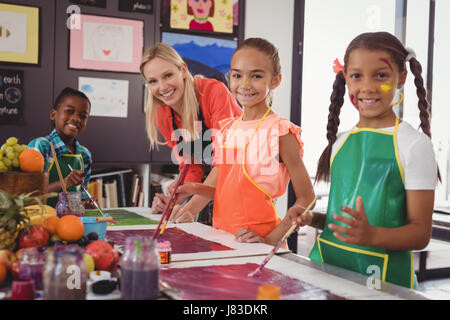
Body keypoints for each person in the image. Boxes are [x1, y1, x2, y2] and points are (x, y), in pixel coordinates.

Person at [289, 32, 439, 289]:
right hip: (328, 270)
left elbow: (420, 233)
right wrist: (312, 217)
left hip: (382, 282)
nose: (367, 87)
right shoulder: (341, 142)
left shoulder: (415, 145)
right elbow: (346, 218)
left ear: (401, 77)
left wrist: (372, 235)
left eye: (381, 75)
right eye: (357, 76)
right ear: (346, 78)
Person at [169, 38, 315, 246]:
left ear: (275, 80)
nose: (245, 84)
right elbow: (228, 192)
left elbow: (307, 198)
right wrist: (193, 188)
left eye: (256, 76)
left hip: (261, 248)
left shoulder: (280, 131)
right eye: (237, 75)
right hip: (222, 240)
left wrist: (269, 240)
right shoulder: (229, 128)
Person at [140, 42, 242, 215]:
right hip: (215, 186)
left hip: (246, 180)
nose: (162, 87)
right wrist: (171, 203)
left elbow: (225, 160)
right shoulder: (163, 114)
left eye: (168, 75)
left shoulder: (214, 92)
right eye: (153, 81)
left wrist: (190, 209)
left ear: (183, 70)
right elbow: (191, 168)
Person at [28, 87, 93, 208]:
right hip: (42, 221)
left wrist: (86, 203)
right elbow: (29, 195)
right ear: (53, 115)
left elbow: (82, 195)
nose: (76, 119)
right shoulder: (41, 146)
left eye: (83, 116)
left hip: (70, 222)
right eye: (69, 111)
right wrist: (65, 183)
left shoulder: (85, 155)